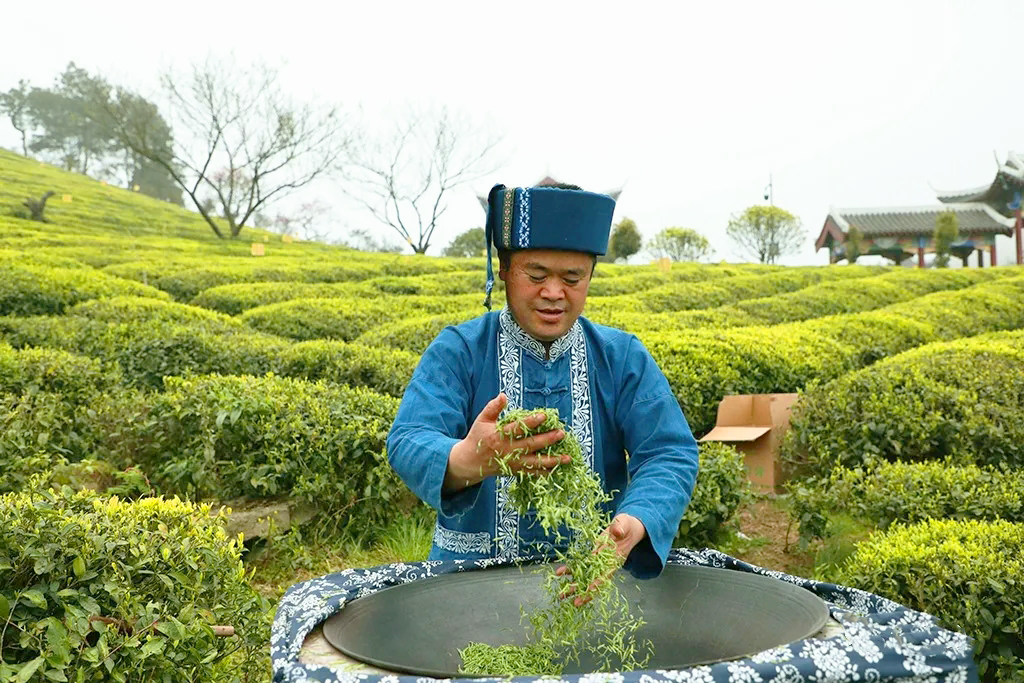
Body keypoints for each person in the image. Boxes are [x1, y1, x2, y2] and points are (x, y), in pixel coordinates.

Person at [386, 182, 699, 581]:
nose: (553, 293)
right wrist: (466, 460)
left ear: (591, 276)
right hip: (465, 582)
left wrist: (636, 520)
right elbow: (409, 436)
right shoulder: (460, 350)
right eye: (536, 274)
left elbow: (668, 452)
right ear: (504, 270)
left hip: (589, 580)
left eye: (572, 278)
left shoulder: (622, 358)